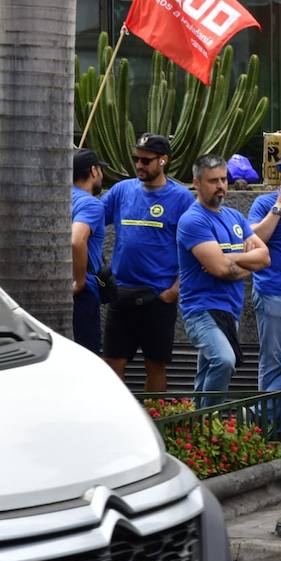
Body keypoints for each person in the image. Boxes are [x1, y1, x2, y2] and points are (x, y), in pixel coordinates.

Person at [101, 133, 195, 392]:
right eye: (136, 159)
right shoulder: (121, 190)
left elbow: (195, 249)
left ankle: (154, 415)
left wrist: (174, 290)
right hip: (121, 293)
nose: (139, 165)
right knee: (112, 364)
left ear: (163, 160)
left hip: (157, 297)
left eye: (146, 160)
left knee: (155, 365)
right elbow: (91, 224)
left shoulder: (182, 198)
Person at [176, 154, 270, 394]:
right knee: (224, 360)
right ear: (197, 183)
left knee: (207, 372)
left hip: (230, 308)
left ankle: (199, 416)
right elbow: (220, 270)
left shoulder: (235, 217)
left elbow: (264, 257)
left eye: (223, 179)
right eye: (213, 181)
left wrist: (231, 258)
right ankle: (210, 415)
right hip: (202, 309)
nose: (220, 186)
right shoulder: (193, 220)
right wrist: (246, 262)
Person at [246, 146, 281, 393]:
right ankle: (265, 414)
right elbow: (253, 241)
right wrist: (279, 206)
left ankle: (260, 410)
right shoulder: (265, 202)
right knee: (271, 360)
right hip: (272, 290)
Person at [70, 148, 105, 355]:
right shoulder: (90, 204)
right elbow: (77, 240)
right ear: (93, 171)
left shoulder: (57, 198)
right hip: (81, 292)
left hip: (53, 286)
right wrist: (80, 281)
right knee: (87, 354)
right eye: (100, 169)